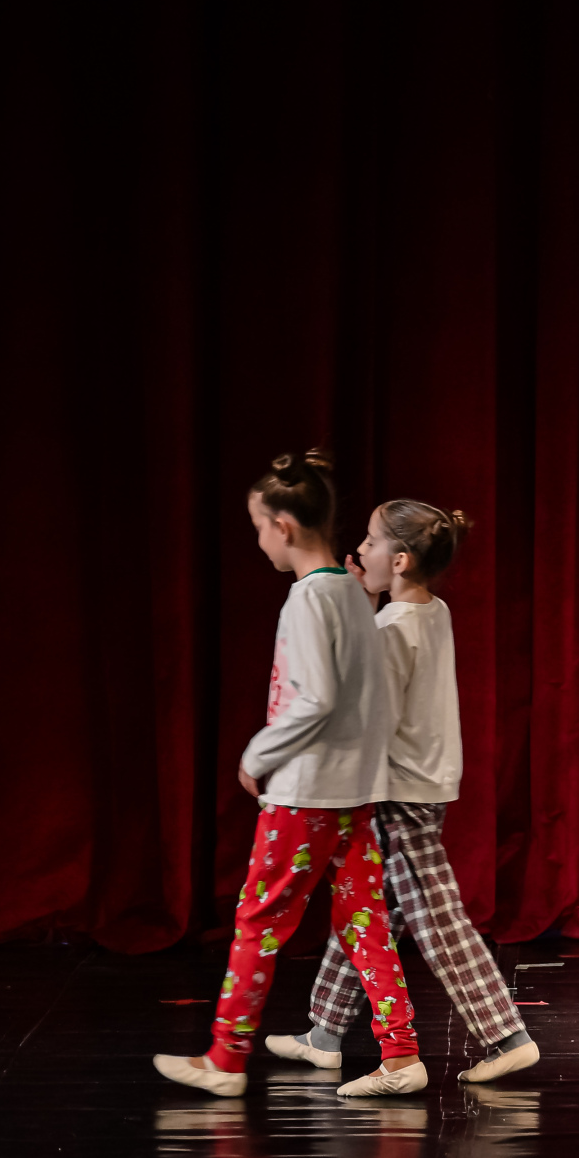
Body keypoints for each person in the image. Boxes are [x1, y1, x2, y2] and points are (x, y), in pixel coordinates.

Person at [153, 451, 427, 1099]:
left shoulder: (310, 598)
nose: (258, 540)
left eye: (258, 526)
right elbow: (370, 699)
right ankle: (401, 1053)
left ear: (282, 525)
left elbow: (316, 698)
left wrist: (258, 755)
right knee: (365, 923)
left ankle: (226, 1058)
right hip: (353, 795)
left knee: (258, 920)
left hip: (306, 795)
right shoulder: (354, 593)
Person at [266, 500, 541, 1083]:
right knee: (368, 908)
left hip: (400, 790)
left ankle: (505, 1035)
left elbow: (371, 716)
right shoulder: (429, 611)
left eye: (370, 542)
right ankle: (324, 1031)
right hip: (421, 781)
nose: (359, 550)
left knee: (434, 916)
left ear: (399, 560)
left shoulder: (391, 630)